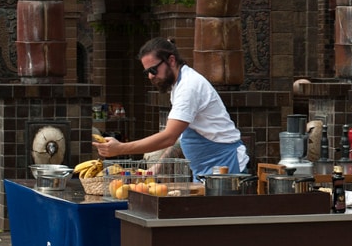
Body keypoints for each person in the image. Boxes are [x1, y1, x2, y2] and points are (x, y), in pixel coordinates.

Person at [93, 38, 250, 178]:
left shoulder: (188, 87)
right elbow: (181, 137)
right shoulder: (180, 84)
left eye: (153, 70)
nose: (150, 76)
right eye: (147, 72)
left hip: (226, 170)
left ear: (172, 60)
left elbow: (169, 136)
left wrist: (120, 149)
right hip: (207, 171)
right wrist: (159, 166)